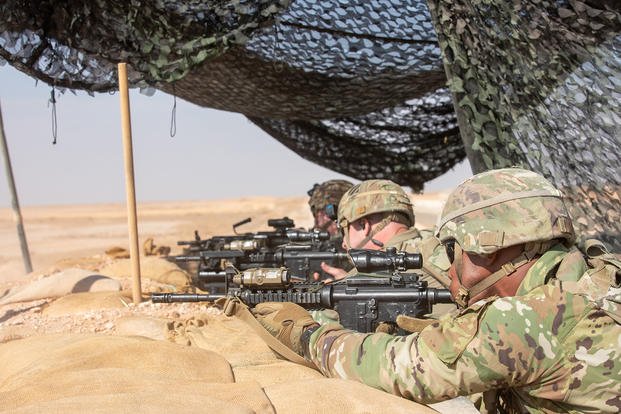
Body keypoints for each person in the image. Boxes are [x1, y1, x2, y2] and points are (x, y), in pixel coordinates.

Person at [251, 168, 621, 412]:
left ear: (490, 247)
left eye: (454, 248)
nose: (454, 262)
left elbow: (397, 368)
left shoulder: (527, 319)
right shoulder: (599, 274)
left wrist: (310, 335)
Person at [318, 179, 451, 293]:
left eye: (344, 231)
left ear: (364, 225)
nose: (344, 244)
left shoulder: (373, 272)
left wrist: (339, 289)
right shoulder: (444, 243)